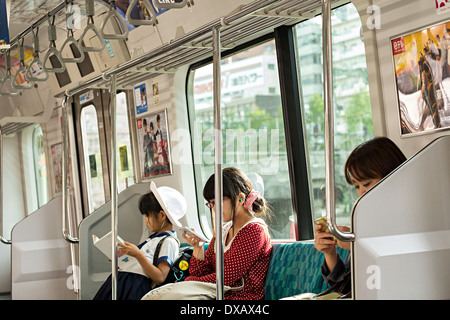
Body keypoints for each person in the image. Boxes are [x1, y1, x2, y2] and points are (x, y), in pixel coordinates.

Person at [314, 137, 407, 294]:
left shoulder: (411, 219)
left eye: (366, 184)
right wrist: (330, 252)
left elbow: (400, 277)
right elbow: (347, 287)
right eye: (357, 186)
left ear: (392, 176)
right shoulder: (366, 223)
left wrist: (358, 246)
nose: (361, 193)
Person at [182, 167, 272, 300]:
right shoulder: (224, 231)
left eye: (217, 201)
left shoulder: (255, 230)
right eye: (211, 203)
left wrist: (190, 282)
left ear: (240, 199)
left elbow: (225, 278)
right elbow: (200, 273)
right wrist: (198, 248)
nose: (214, 208)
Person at [94, 182, 187, 300]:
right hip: (122, 282)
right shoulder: (154, 238)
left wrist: (138, 254)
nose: (145, 221)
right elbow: (136, 264)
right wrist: (119, 256)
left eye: (148, 216)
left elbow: (160, 277)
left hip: (134, 287)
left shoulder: (169, 242)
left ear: (162, 215)